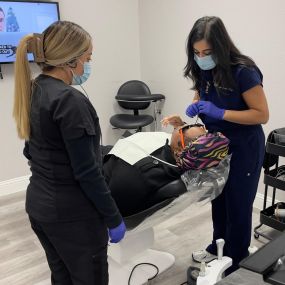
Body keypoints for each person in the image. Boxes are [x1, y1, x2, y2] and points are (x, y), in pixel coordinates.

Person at [13, 21, 126, 285]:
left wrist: (96, 150)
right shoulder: (70, 101)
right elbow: (87, 173)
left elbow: (34, 150)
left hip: (40, 208)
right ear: (71, 60)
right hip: (73, 216)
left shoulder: (35, 89)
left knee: (63, 277)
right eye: (87, 58)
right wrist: (113, 217)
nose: (88, 64)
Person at [182, 16, 269, 274]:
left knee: (238, 204)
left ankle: (236, 260)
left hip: (244, 145)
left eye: (207, 52)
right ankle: (216, 247)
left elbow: (261, 114)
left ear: (221, 48)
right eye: (197, 53)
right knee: (218, 200)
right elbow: (203, 92)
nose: (201, 57)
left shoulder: (244, 72)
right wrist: (197, 103)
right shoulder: (202, 68)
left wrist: (221, 113)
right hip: (217, 145)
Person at [103, 124, 229, 216]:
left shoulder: (139, 171)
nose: (181, 126)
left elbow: (112, 203)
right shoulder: (188, 162)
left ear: (180, 148)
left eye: (184, 128)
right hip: (113, 158)